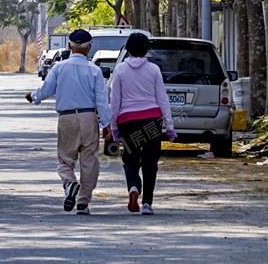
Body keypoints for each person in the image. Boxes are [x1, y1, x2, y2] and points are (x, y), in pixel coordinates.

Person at [25, 29, 110, 215]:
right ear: (90, 47)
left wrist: (33, 97)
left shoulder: (59, 67)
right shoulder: (94, 70)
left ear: (69, 45)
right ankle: (83, 203)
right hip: (89, 118)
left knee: (65, 159)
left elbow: (46, 90)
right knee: (89, 162)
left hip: (67, 118)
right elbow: (101, 100)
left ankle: (70, 183)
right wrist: (106, 125)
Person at [109, 32, 175, 215]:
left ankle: (133, 188)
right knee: (150, 162)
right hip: (152, 121)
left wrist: (114, 127)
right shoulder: (154, 69)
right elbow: (162, 99)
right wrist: (170, 126)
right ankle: (147, 203)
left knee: (130, 161)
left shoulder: (120, 69)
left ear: (128, 49)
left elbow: (115, 101)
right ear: (147, 50)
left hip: (128, 121)